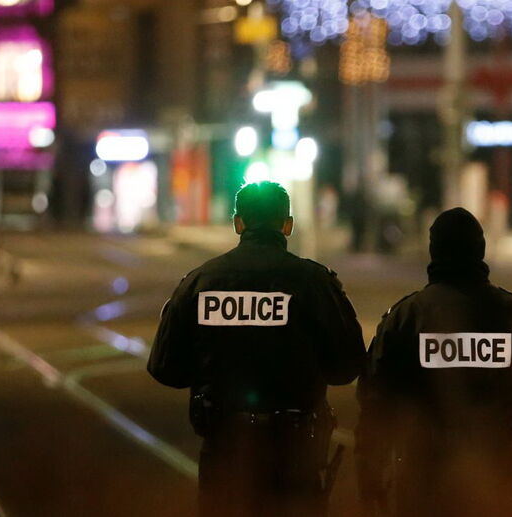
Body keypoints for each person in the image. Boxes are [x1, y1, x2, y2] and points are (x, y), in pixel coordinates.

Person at [149, 181, 366, 517]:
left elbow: (166, 368)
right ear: (288, 225)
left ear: (238, 224)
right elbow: (348, 367)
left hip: (224, 448)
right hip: (296, 453)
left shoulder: (200, 281)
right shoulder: (315, 282)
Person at [355, 207, 512, 517]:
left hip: (422, 486)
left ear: (433, 252)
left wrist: (370, 477)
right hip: (499, 480)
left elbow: (375, 406)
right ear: (480, 250)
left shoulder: (404, 318)